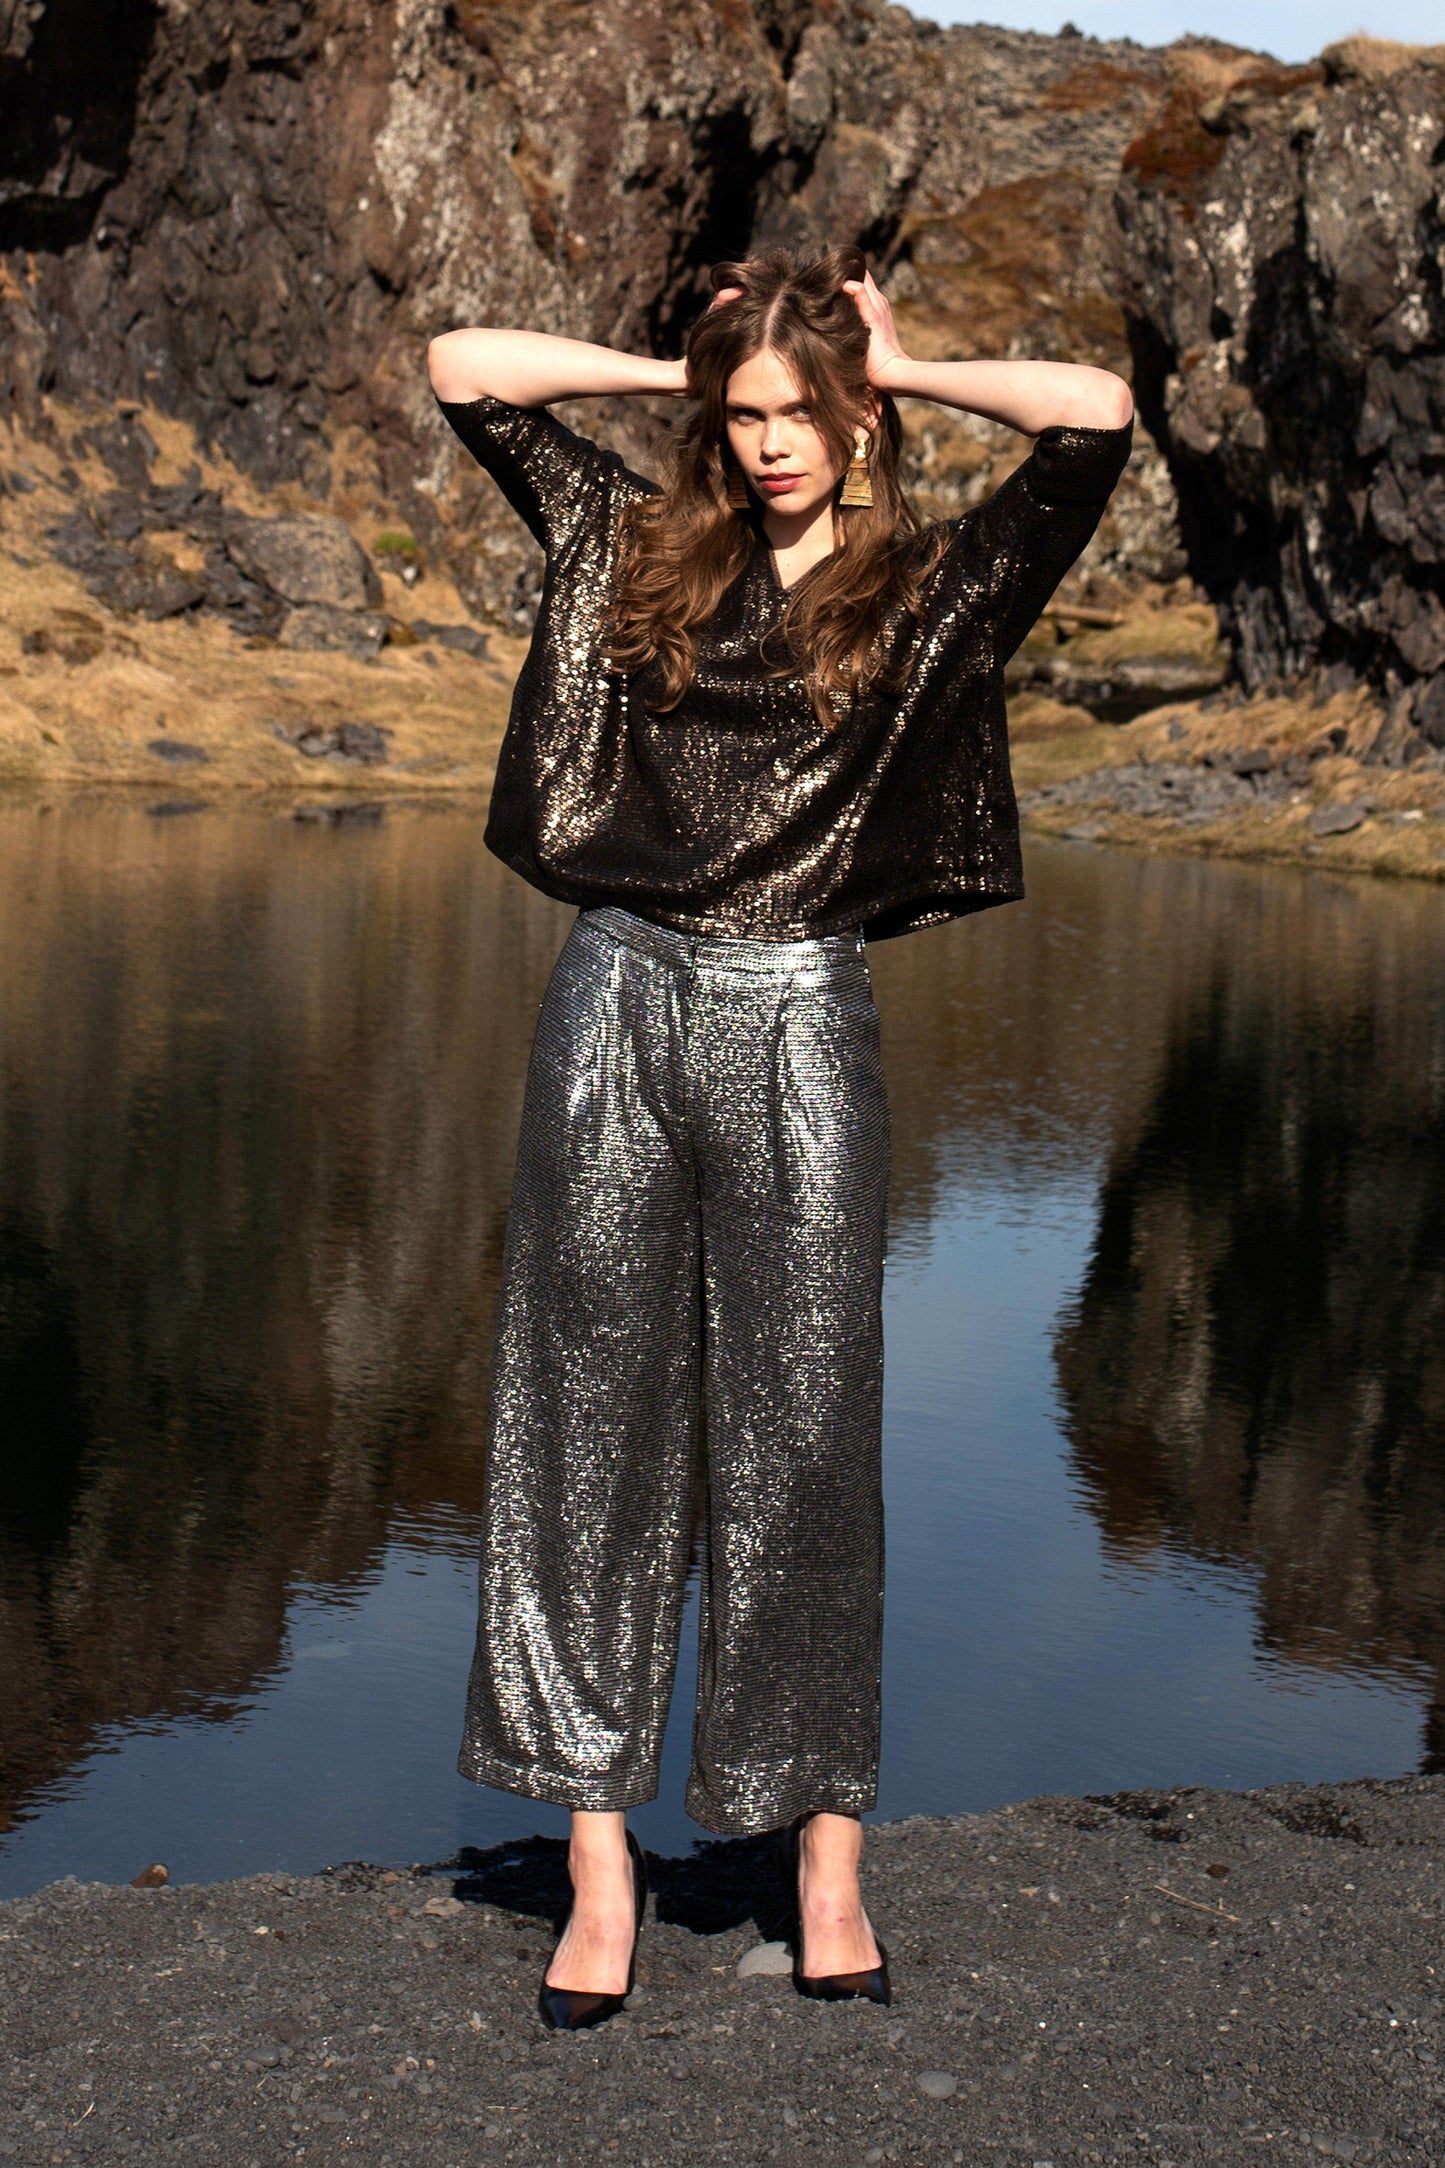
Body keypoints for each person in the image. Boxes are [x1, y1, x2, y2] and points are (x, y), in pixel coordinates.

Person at [427, 244, 1132, 2031]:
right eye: (743, 416)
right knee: (583, 1420)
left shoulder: (934, 582)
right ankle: (599, 1873)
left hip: (800, 1018)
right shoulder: (637, 546)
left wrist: (900, 361)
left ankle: (824, 1866)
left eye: (798, 414)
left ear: (852, 418)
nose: (768, 442)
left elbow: (1094, 416)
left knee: (802, 1437)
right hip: (613, 1003)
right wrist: (682, 364)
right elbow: (461, 365)